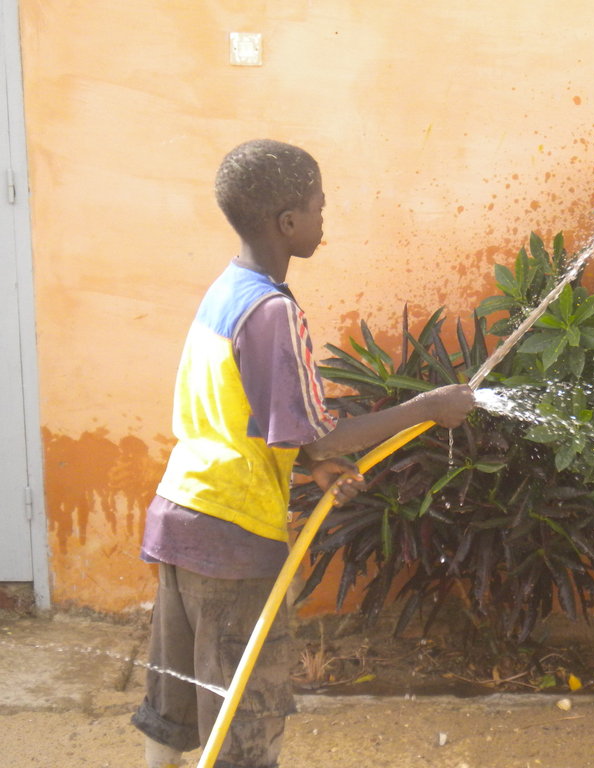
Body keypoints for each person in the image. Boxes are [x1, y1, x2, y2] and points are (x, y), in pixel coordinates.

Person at [131, 139, 476, 768]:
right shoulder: (272, 312)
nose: (324, 217)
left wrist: (313, 463)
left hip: (181, 512)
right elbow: (319, 431)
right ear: (288, 222)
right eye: (319, 206)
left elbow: (254, 418)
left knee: (173, 693)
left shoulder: (228, 290)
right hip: (232, 536)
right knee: (245, 716)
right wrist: (428, 408)